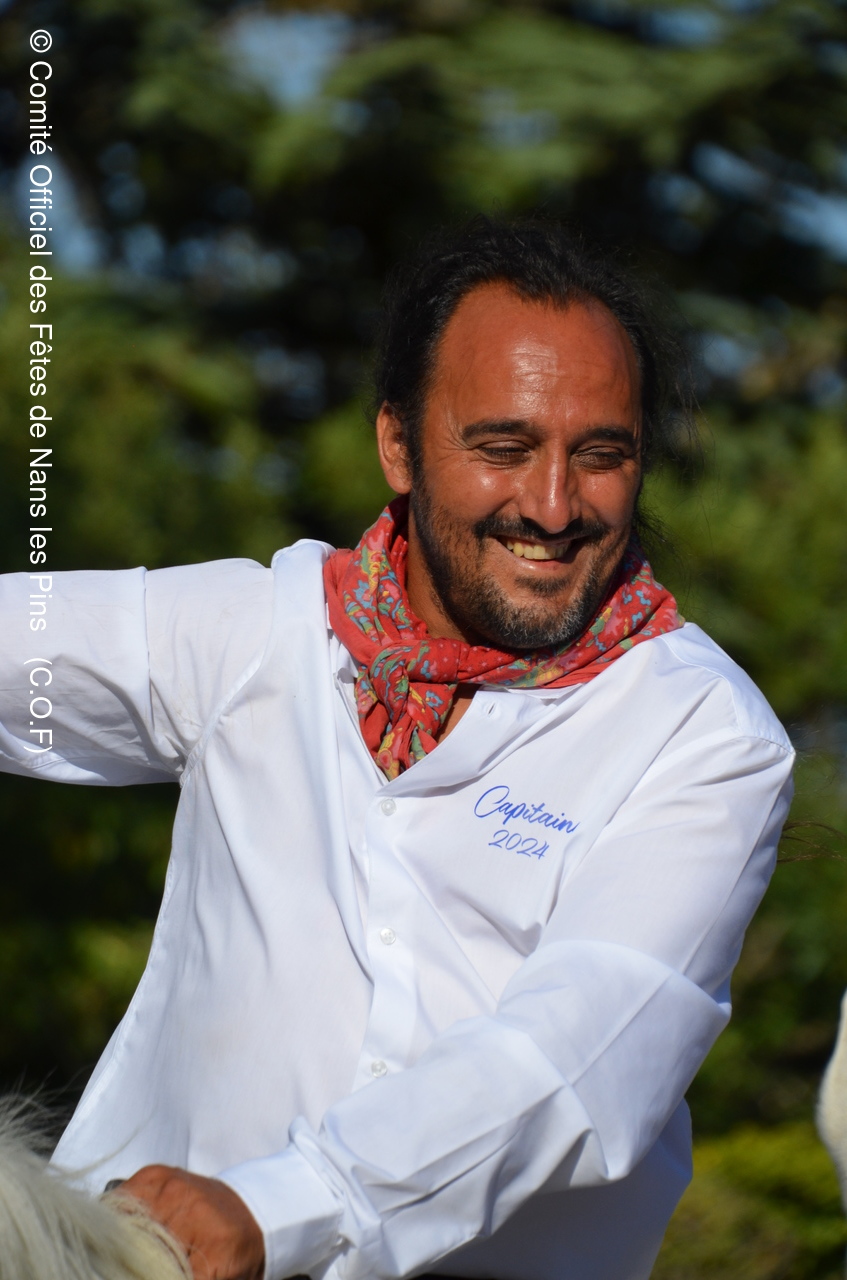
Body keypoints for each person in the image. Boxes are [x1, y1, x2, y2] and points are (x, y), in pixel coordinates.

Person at [0, 216, 794, 1280]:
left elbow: (576, 1059)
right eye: (502, 447)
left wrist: (286, 1207)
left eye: (601, 455)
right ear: (398, 444)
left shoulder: (700, 732)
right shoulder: (261, 633)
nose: (552, 505)